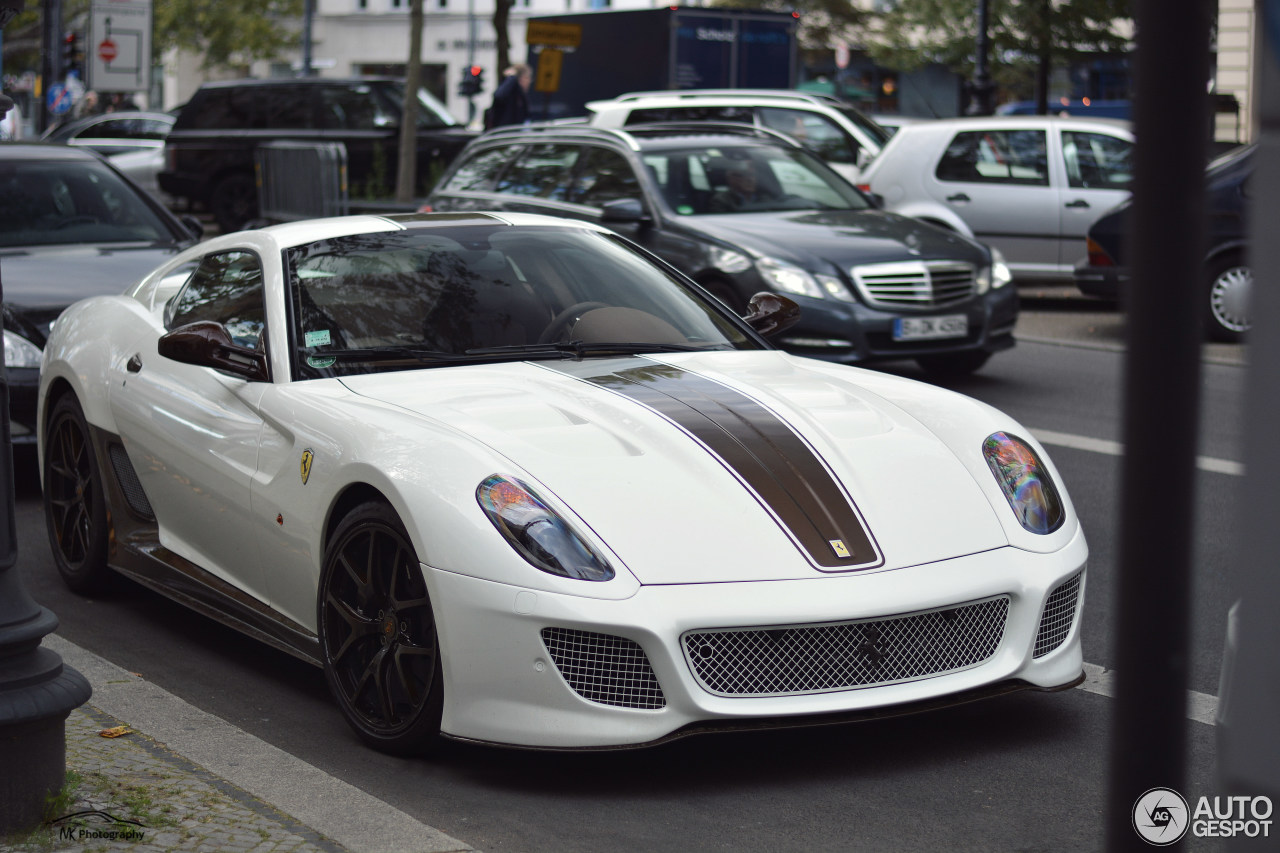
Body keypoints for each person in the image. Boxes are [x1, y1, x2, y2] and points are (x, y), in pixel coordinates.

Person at [709, 159, 775, 212]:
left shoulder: (766, 198)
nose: (750, 179)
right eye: (744, 175)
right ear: (731, 179)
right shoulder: (721, 200)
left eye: (752, 175)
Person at [485, 64, 531, 130]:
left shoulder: (521, 96)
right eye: (527, 77)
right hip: (502, 134)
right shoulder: (509, 93)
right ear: (521, 78)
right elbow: (498, 96)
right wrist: (511, 78)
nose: (529, 81)